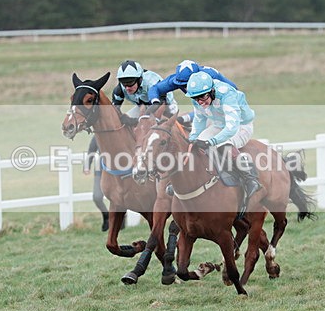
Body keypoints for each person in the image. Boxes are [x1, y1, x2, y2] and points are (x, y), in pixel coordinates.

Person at [184, 71, 262, 203]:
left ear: (212, 91)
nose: (199, 102)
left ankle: (251, 179)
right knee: (196, 143)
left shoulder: (227, 94)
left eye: (202, 97)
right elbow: (199, 120)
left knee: (224, 144)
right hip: (218, 124)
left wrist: (212, 141)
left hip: (241, 126)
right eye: (196, 98)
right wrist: (193, 138)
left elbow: (231, 128)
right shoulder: (198, 99)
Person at [112, 60, 178, 122]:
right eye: (123, 83)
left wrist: (138, 120)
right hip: (143, 107)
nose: (127, 88)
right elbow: (114, 109)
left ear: (140, 79)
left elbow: (160, 105)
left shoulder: (152, 82)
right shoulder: (120, 89)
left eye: (130, 83)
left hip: (166, 106)